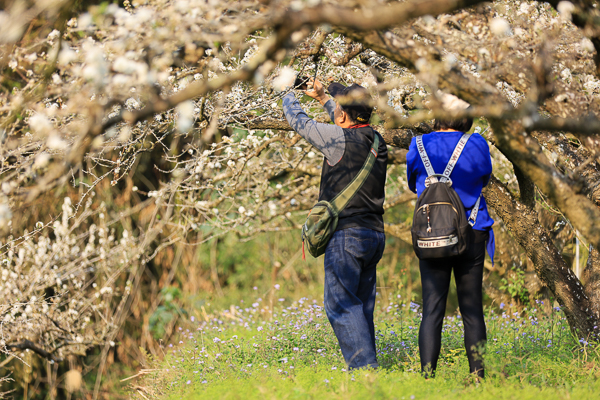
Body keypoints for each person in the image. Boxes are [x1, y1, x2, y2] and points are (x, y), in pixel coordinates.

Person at [281, 78, 388, 369]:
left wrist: (286, 91)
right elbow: (344, 124)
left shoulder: (336, 139)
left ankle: (365, 372)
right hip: (374, 236)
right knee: (361, 307)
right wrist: (322, 100)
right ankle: (369, 371)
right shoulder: (377, 140)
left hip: (346, 238)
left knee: (339, 303)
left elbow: (298, 121)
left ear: (343, 114)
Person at [406, 99, 494, 378]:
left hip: (432, 233)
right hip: (472, 231)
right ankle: (478, 377)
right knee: (472, 310)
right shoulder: (477, 142)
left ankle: (428, 377)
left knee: (432, 309)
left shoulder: (418, 144)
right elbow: (484, 177)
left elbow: (412, 183)